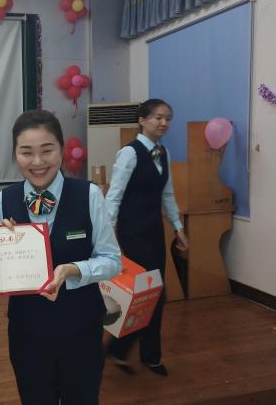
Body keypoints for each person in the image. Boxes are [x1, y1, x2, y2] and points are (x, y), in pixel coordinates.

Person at [0, 109, 122, 405]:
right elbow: (3, 273)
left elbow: (112, 261)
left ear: (62, 150)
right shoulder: (5, 199)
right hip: (27, 329)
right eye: (26, 152)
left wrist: (72, 270)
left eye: (47, 150)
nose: (37, 162)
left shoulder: (89, 194)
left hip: (80, 325)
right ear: (15, 155)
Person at [105, 98, 189, 377]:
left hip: (154, 230)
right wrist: (109, 235)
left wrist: (177, 227)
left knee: (151, 293)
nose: (163, 123)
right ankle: (136, 352)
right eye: (157, 117)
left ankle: (137, 352)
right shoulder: (129, 153)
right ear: (142, 120)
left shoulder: (163, 152)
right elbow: (114, 196)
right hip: (132, 232)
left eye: (167, 118)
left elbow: (167, 193)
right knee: (151, 294)